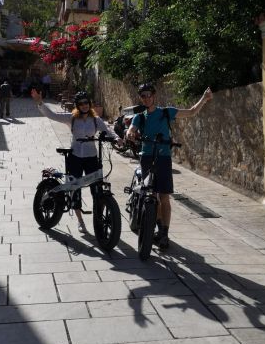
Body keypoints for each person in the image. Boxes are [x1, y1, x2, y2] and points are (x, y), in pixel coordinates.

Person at [126, 83, 213, 249]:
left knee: (163, 197)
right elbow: (131, 128)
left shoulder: (166, 112)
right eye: (143, 96)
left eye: (148, 95)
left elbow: (192, 111)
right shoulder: (140, 116)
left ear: (154, 96)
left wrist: (204, 98)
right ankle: (155, 224)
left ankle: (164, 233)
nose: (146, 98)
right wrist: (130, 133)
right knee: (150, 194)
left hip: (163, 158)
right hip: (147, 158)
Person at [31, 88, 122, 233]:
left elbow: (107, 130)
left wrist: (116, 138)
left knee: (96, 188)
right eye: (81, 103)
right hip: (75, 157)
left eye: (86, 102)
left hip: (92, 156)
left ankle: (98, 218)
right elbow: (52, 115)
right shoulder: (71, 118)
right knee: (75, 188)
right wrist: (40, 102)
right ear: (77, 105)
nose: (84, 105)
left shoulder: (96, 119)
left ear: (89, 104)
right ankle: (80, 221)